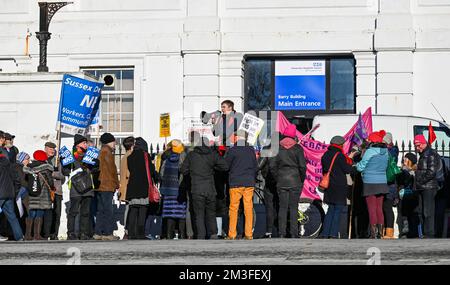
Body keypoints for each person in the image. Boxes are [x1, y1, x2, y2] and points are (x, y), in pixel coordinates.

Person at [180, 136, 229, 239]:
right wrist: (213, 168)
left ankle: (201, 235)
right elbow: (225, 166)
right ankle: (213, 233)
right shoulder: (212, 155)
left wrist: (192, 171)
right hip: (210, 188)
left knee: (199, 214)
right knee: (211, 212)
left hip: (197, 189)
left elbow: (183, 169)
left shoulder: (191, 155)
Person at [270, 124, 307, 238]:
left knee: (282, 207)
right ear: (293, 135)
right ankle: (294, 233)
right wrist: (301, 178)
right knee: (293, 207)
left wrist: (277, 178)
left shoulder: (276, 147)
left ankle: (281, 233)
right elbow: (302, 166)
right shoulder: (297, 148)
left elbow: (272, 166)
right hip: (295, 180)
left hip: (281, 181)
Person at [319, 136, 355, 239]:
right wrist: (351, 161)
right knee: (338, 210)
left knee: (330, 209)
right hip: (339, 186)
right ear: (340, 145)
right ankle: (333, 233)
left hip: (329, 186)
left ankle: (325, 233)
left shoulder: (325, 155)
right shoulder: (340, 155)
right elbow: (347, 170)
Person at [63, 134, 98, 240]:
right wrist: (67, 166)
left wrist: (95, 164)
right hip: (75, 189)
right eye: (84, 143)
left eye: (86, 143)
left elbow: (95, 170)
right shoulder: (70, 157)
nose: (86, 145)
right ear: (78, 145)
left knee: (86, 213)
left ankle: (84, 233)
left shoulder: (90, 156)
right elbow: (64, 172)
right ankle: (71, 233)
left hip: (88, 188)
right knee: (73, 212)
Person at [224, 131, 258, 240]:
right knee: (248, 208)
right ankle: (249, 234)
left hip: (236, 183)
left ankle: (232, 234)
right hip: (249, 182)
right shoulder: (251, 150)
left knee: (234, 208)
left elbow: (226, 166)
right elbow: (255, 166)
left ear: (238, 137)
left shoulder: (233, 150)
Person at [356, 130, 389, 239]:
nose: (368, 141)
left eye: (369, 139)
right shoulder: (386, 152)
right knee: (379, 208)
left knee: (371, 208)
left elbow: (361, 166)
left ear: (373, 140)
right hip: (382, 181)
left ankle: (373, 233)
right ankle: (380, 233)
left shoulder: (370, 151)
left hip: (370, 182)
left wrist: (356, 165)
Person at [126, 137, 158, 239]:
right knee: (142, 210)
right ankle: (140, 233)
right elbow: (152, 171)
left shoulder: (130, 157)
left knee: (133, 210)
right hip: (143, 187)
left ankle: (131, 233)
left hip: (132, 187)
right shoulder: (145, 156)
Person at [94, 133, 120, 241]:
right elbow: (111, 170)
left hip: (100, 185)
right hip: (107, 185)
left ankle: (98, 232)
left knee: (100, 210)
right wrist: (116, 183)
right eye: (114, 142)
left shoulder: (100, 151)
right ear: (110, 141)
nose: (115, 144)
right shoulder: (107, 152)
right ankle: (108, 233)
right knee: (108, 209)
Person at [159, 139, 187, 239]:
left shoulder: (166, 157)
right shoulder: (183, 156)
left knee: (169, 213)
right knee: (181, 213)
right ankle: (182, 234)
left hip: (168, 189)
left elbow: (161, 174)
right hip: (179, 188)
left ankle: (169, 235)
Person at [23, 150, 54, 240]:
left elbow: (26, 180)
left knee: (31, 213)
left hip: (32, 193)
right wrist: (52, 187)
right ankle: (37, 235)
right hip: (43, 194)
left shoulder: (29, 167)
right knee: (40, 213)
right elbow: (50, 181)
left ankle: (28, 235)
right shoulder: (46, 168)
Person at [414, 134, 441, 238]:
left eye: (419, 145)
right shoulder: (424, 154)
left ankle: (429, 234)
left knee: (428, 212)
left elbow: (431, 172)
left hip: (429, 187)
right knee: (421, 211)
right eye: (416, 145)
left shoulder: (431, 154)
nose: (417, 148)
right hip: (422, 187)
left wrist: (420, 181)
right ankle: (425, 233)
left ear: (424, 143)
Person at [41, 141, 65, 240]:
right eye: (50, 149)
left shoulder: (57, 161)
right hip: (45, 191)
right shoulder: (42, 160)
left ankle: (54, 234)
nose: (52, 151)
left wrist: (54, 174)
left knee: (56, 213)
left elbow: (62, 177)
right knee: (46, 213)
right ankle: (44, 233)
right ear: (45, 149)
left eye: (53, 149)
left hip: (56, 191)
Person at [0, 151, 24, 241]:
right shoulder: (9, 164)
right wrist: (15, 192)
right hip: (9, 194)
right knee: (12, 216)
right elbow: (17, 180)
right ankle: (19, 237)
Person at [396, 153, 421, 238]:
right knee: (402, 215)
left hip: (412, 196)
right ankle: (403, 232)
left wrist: (406, 171)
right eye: (404, 159)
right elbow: (400, 182)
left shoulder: (415, 171)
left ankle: (413, 233)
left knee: (412, 215)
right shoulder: (402, 170)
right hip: (403, 197)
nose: (404, 160)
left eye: (406, 159)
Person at [382, 132, 399, 239]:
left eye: (384, 142)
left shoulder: (391, 152)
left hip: (389, 184)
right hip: (388, 183)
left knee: (387, 208)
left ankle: (389, 232)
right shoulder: (391, 151)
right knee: (384, 208)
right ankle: (386, 231)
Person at [118, 136, 134, 239]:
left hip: (125, 186)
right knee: (130, 209)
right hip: (130, 185)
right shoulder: (131, 156)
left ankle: (127, 231)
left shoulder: (124, 156)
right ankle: (128, 231)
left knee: (128, 208)